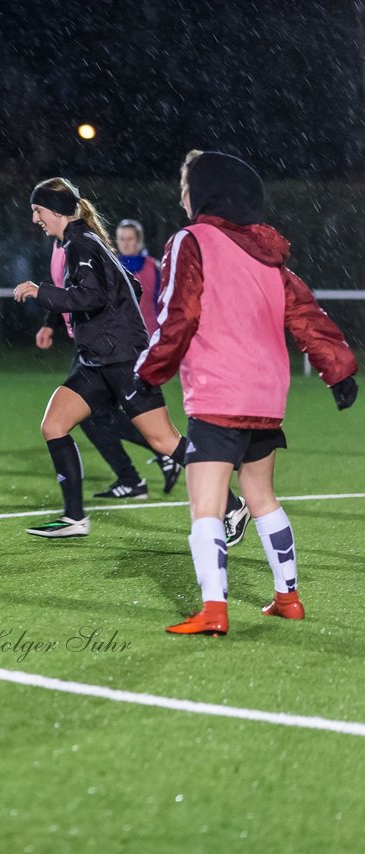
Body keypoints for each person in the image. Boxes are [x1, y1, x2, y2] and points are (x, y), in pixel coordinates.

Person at [136, 151, 357, 635]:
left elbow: (180, 314)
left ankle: (214, 610)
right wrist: (339, 372)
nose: (182, 195)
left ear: (205, 193)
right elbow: (307, 317)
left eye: (185, 186)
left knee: (206, 505)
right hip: (265, 397)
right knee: (262, 496)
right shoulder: (268, 255)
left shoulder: (190, 240)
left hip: (218, 393)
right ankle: (288, 597)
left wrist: (149, 370)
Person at [13, 178, 249, 539]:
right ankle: (75, 517)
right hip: (100, 359)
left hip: (123, 360)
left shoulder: (80, 244)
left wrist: (41, 292)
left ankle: (234, 507)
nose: (35, 219)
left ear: (55, 210)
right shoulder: (86, 242)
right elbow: (130, 285)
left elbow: (89, 296)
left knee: (164, 441)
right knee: (54, 425)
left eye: (38, 211)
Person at [34, 227, 178, 499]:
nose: (36, 219)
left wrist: (133, 332)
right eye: (121, 238)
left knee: (152, 432)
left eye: (39, 211)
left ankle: (163, 464)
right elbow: (69, 290)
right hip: (96, 348)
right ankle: (102, 497)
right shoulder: (65, 247)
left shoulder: (86, 246)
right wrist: (51, 323)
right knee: (88, 419)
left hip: (120, 350)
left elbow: (100, 293)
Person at [115, 219, 161, 336]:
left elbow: (163, 302)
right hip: (119, 337)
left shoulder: (154, 267)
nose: (125, 243)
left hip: (151, 335)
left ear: (139, 240)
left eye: (130, 239)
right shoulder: (109, 267)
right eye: (122, 239)